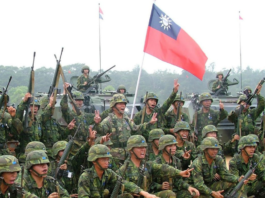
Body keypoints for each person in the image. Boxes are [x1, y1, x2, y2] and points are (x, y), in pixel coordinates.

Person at [118, 135, 194, 198]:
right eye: (139, 148)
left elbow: (163, 168)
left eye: (144, 147)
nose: (143, 150)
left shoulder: (147, 165)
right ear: (131, 150)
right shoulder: (123, 170)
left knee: (169, 194)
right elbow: (119, 190)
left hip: (149, 196)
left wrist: (180, 173)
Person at [94, 94, 157, 167]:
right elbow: (100, 131)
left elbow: (136, 129)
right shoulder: (108, 120)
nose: (123, 106)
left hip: (128, 155)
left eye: (124, 104)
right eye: (120, 104)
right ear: (114, 106)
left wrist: (150, 123)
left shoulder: (126, 119)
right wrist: (97, 124)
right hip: (115, 157)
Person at [78, 144, 158, 198]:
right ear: (94, 161)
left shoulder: (108, 173)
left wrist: (145, 193)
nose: (107, 162)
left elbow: (123, 182)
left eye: (108, 159)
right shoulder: (86, 177)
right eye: (103, 159)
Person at [60, 85, 96, 156]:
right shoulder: (69, 115)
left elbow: (99, 117)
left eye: (81, 100)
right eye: (77, 100)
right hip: (74, 146)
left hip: (85, 144)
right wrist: (65, 93)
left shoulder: (84, 115)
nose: (80, 102)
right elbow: (64, 107)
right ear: (72, 101)